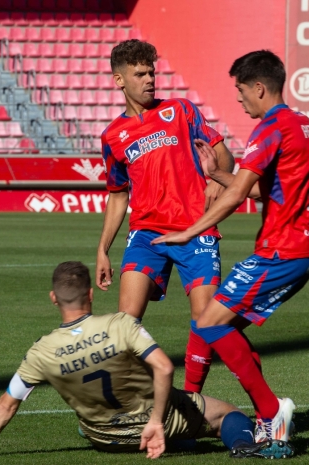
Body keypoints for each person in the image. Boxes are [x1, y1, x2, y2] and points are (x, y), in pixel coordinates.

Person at [153, 50, 309, 443]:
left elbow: (238, 196)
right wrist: (216, 172)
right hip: (298, 249)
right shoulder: (304, 125)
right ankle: (197, 405)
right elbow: (266, 189)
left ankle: (270, 412)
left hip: (281, 251)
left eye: (241, 89)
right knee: (210, 322)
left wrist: (187, 231)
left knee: (209, 321)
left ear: (259, 87)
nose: (239, 97)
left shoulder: (271, 128)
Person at [0, 262, 293, 459]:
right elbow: (164, 367)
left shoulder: (41, 351)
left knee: (91, 419)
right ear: (91, 294)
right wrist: (154, 422)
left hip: (104, 438)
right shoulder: (120, 324)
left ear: (54, 299)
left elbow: (8, 404)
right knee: (229, 414)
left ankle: (175, 440)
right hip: (154, 424)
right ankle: (243, 446)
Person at [97, 40, 235, 393]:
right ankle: (128, 399)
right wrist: (103, 249)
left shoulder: (182, 111)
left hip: (195, 230)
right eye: (139, 74)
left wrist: (217, 185)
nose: (149, 79)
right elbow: (117, 195)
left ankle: (190, 399)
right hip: (146, 234)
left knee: (205, 322)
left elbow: (224, 157)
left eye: (152, 72)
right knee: (125, 323)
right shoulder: (113, 136)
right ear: (119, 80)